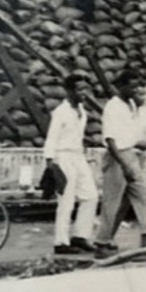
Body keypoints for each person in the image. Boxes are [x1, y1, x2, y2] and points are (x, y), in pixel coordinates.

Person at [93, 71, 146, 253]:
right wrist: (124, 165)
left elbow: (133, 137)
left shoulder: (133, 106)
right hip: (118, 157)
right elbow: (111, 140)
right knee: (112, 202)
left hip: (132, 156)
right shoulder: (113, 106)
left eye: (137, 87)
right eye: (132, 87)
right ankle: (102, 243)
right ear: (122, 87)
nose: (136, 90)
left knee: (145, 196)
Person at [42, 74, 99, 255]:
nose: (83, 93)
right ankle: (61, 242)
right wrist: (50, 164)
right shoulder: (61, 112)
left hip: (78, 156)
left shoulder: (81, 110)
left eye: (85, 89)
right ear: (69, 91)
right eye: (79, 89)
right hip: (63, 157)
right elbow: (51, 138)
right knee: (66, 201)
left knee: (91, 196)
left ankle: (80, 236)